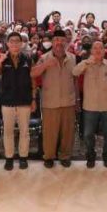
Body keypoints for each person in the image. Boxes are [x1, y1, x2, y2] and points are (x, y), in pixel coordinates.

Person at [31, 29, 78, 168]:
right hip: (50, 102)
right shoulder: (44, 57)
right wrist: (45, 65)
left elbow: (75, 80)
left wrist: (77, 100)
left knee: (67, 132)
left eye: (62, 40)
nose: (59, 43)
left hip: (68, 101)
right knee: (49, 132)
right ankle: (49, 157)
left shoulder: (73, 58)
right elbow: (33, 73)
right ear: (52, 42)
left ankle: (65, 156)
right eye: (56, 40)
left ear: (66, 42)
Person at [0, 32, 37, 171]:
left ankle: (23, 158)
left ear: (21, 44)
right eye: (12, 41)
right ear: (7, 44)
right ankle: (9, 158)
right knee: (8, 131)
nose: (15, 43)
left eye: (17, 41)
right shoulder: (3, 60)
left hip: (24, 101)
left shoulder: (28, 59)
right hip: (7, 101)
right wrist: (0, 60)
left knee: (24, 131)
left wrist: (33, 99)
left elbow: (33, 81)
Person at [73, 41, 107, 168]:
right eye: (95, 48)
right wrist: (87, 62)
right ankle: (90, 156)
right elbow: (75, 72)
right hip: (90, 107)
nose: (98, 50)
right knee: (88, 134)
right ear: (91, 51)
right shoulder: (86, 64)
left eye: (101, 48)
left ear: (105, 51)